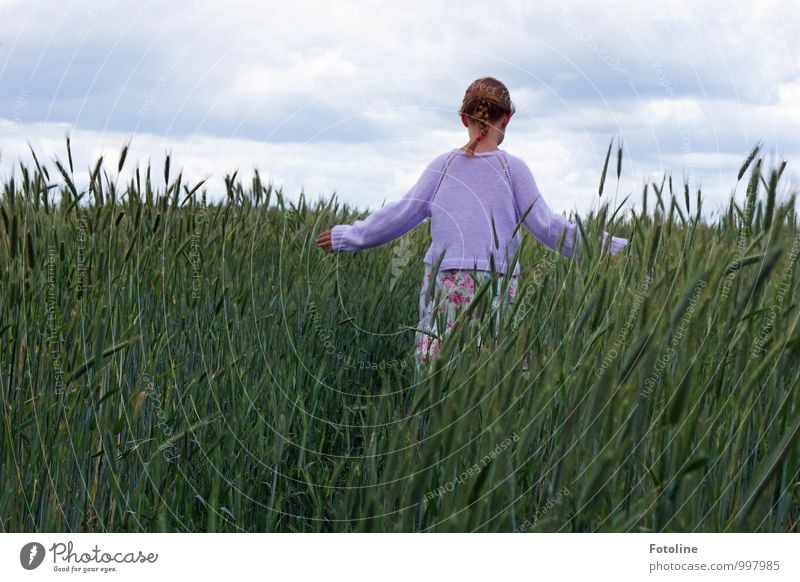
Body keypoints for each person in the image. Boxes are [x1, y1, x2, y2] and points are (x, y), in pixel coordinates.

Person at [316, 77, 628, 374]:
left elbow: (400, 214)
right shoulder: (512, 169)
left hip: (444, 282)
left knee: (436, 367)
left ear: (464, 119)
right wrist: (608, 248)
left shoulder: (443, 166)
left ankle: (430, 426)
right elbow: (547, 227)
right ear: (506, 120)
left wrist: (349, 236)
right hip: (496, 284)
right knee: (488, 370)